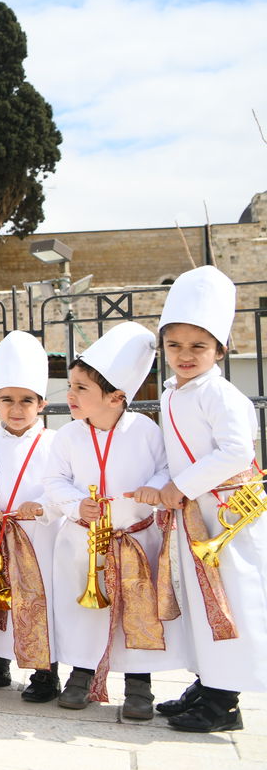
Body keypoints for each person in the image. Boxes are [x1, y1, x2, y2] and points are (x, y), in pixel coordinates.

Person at [43, 322, 185, 720]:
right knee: (84, 612)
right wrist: (76, 505)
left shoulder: (145, 430)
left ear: (116, 397)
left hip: (135, 541)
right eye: (70, 386)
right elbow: (54, 481)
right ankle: (81, 675)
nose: (70, 395)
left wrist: (153, 488)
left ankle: (139, 684)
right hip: (82, 544)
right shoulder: (67, 436)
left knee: (136, 610)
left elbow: (165, 469)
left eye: (81, 388)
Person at [153, 266, 265, 733]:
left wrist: (180, 486)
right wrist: (167, 484)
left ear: (219, 350)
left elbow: (237, 450)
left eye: (198, 346)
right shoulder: (171, 393)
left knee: (228, 601)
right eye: (174, 345)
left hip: (226, 515)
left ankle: (224, 702)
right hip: (194, 511)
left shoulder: (220, 393)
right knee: (200, 600)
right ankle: (209, 681)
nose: (185, 355)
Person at [0, 331, 61, 702]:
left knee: (38, 600)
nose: (16, 409)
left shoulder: (56, 443)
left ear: (42, 404)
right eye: (7, 400)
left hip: (39, 537)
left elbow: (64, 483)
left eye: (26, 401)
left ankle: (45, 671)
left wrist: (42, 505)